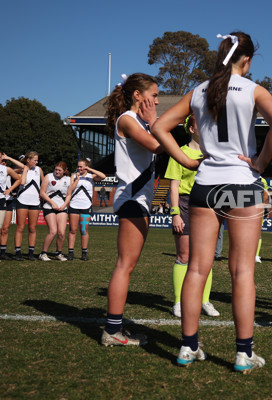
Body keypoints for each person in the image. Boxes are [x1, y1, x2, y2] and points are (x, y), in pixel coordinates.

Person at [151, 32, 272, 372]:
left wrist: (185, 161)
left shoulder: (199, 90)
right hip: (241, 184)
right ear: (248, 59)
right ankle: (243, 354)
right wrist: (258, 163)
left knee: (197, 268)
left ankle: (187, 347)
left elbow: (159, 127)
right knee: (242, 271)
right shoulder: (254, 89)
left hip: (205, 184)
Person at [101, 72, 163, 347]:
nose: (158, 101)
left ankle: (116, 327)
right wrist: (153, 123)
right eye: (155, 95)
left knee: (129, 264)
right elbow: (158, 145)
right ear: (138, 95)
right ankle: (112, 330)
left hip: (138, 200)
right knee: (125, 265)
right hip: (131, 199)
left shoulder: (137, 120)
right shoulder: (128, 119)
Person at [164, 114, 219, 318]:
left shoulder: (214, 154)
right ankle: (179, 301)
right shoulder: (179, 153)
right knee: (184, 256)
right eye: (200, 124)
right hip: (186, 204)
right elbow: (174, 186)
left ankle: (204, 300)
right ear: (192, 129)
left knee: (206, 257)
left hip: (209, 205)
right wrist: (175, 213)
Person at [67, 159, 106, 261]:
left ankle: (84, 253)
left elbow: (103, 176)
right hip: (74, 206)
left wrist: (89, 169)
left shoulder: (91, 177)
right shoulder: (74, 176)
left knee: (84, 230)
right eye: (78, 166)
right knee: (73, 230)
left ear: (86, 167)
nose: (79, 168)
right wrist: (77, 180)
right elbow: (70, 189)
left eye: (82, 167)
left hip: (86, 206)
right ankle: (70, 252)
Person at [39, 161, 72, 261]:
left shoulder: (69, 179)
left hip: (62, 208)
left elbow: (69, 195)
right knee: (53, 231)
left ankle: (58, 253)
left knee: (61, 233)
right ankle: (43, 254)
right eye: (56, 169)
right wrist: (52, 203)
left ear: (65, 171)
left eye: (59, 170)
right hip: (49, 207)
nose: (56, 172)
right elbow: (42, 192)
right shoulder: (48, 176)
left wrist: (64, 205)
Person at [14, 151, 44, 261]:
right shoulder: (21, 169)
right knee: (20, 227)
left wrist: (42, 193)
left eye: (37, 160)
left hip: (35, 202)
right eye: (35, 160)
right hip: (22, 200)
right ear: (28, 160)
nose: (37, 162)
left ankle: (31, 252)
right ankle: (18, 252)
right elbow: (20, 180)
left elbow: (44, 181)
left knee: (32, 228)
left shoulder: (39, 169)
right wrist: (23, 169)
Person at [0, 153, 22, 259]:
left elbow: (22, 167)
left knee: (5, 228)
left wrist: (10, 189)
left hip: (7, 200)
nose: (4, 162)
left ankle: (3, 253)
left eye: (5, 160)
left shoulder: (8, 170)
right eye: (2, 160)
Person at [255, 177, 270, 263]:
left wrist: (266, 209)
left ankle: (255, 255)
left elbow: (266, 195)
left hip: (257, 209)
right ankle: (253, 255)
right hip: (247, 208)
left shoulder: (262, 180)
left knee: (257, 232)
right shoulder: (262, 180)